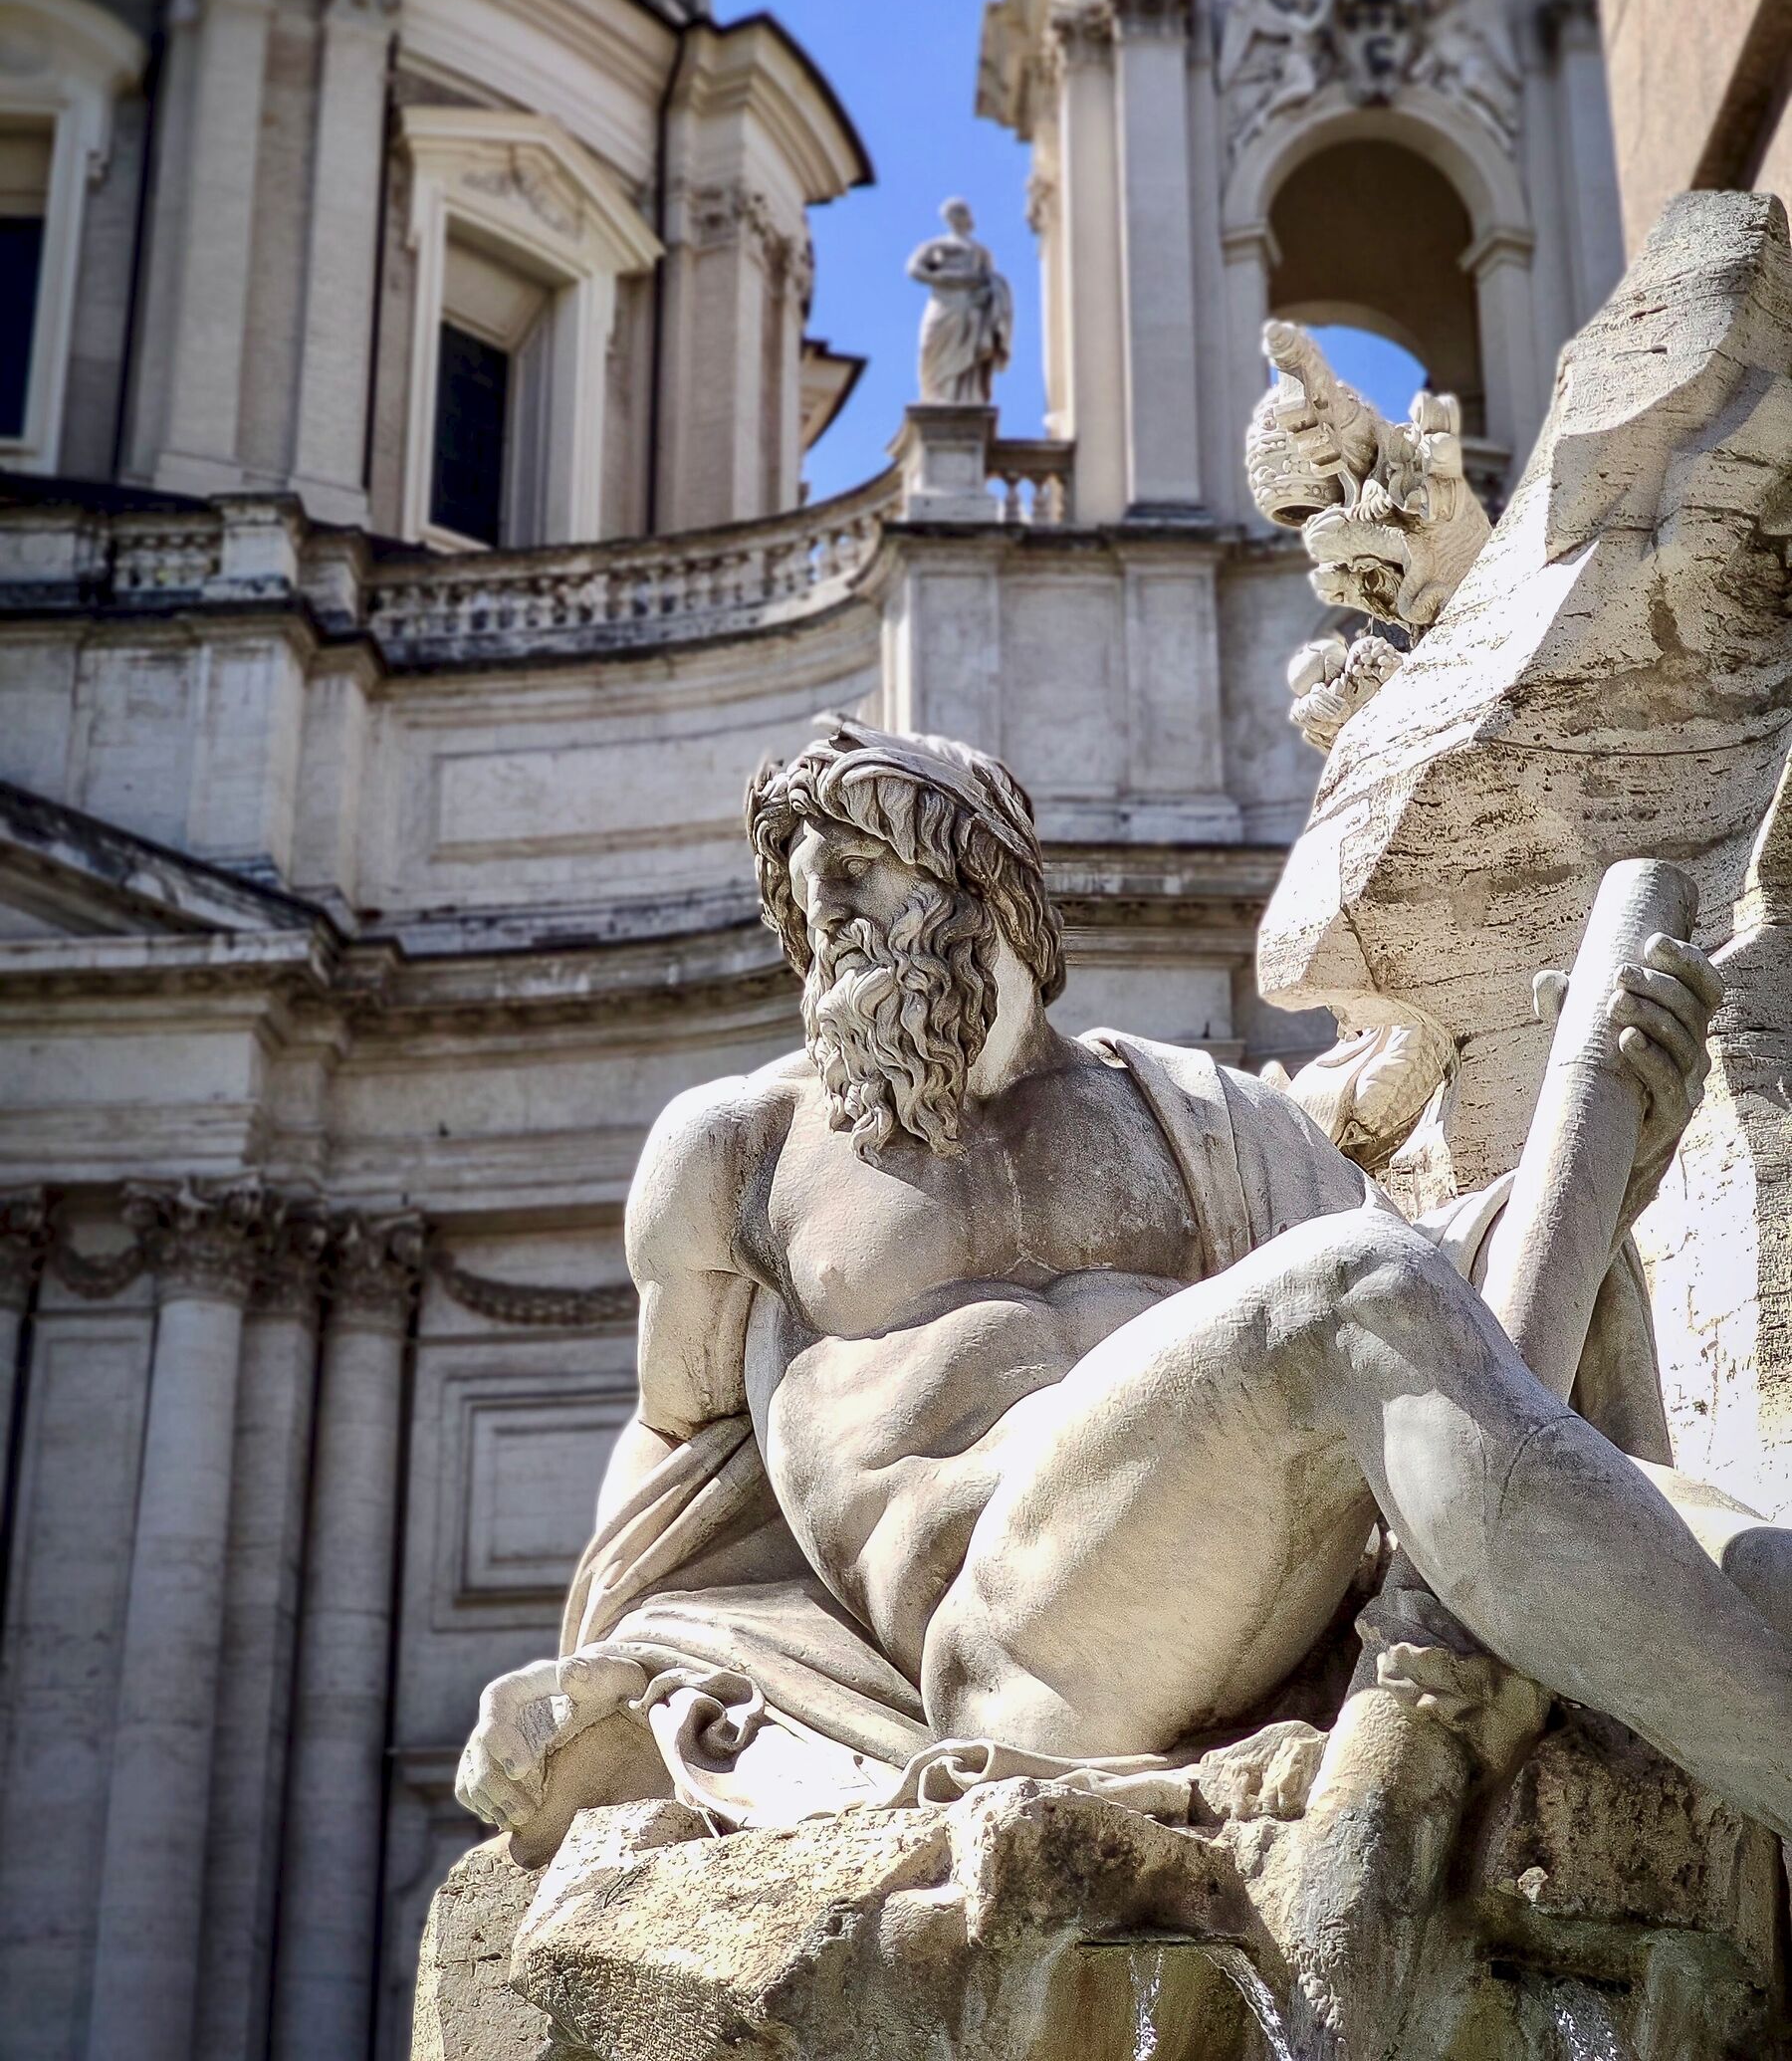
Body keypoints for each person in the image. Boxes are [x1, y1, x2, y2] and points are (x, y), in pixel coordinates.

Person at [458, 718, 1792, 1854]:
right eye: (809, 908)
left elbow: (1473, 1331)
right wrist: (597, 1672)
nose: (828, 922)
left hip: (1273, 1588)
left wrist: (1622, 1154)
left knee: (1735, 1550)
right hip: (1012, 1649)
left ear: (983, 883)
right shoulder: (738, 1148)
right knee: (1346, 1286)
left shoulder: (1192, 1108)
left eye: (859, 875)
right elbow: (679, 1451)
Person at [906, 199, 1011, 404]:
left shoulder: (980, 251)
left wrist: (986, 292)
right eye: (951, 213)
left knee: (967, 353)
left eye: (959, 212)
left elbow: (990, 280)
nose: (954, 217)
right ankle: (935, 395)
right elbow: (913, 269)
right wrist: (945, 278)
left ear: (966, 218)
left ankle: (963, 397)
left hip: (969, 306)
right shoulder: (936, 246)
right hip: (942, 303)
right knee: (930, 346)